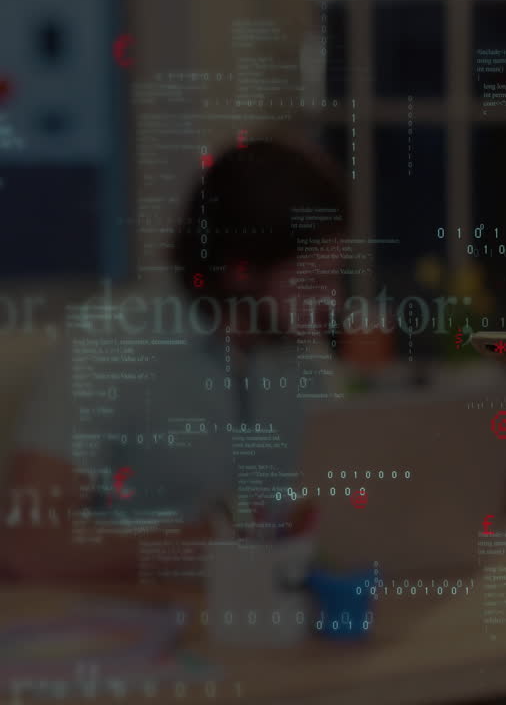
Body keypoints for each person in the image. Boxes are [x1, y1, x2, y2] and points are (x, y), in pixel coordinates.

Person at [0, 138, 348, 580]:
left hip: (261, 610)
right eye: (313, 282)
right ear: (239, 272)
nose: (333, 303)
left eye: (336, 277)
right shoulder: (111, 343)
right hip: (131, 613)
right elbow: (27, 546)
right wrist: (206, 543)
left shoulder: (302, 360)